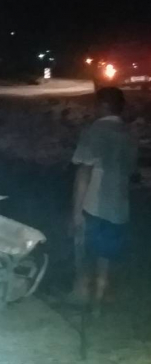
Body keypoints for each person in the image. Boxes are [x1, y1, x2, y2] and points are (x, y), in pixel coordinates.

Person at [71, 86, 138, 310]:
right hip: (119, 206)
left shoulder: (95, 131)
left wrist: (76, 212)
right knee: (106, 255)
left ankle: (81, 292)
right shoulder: (130, 134)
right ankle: (99, 300)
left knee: (83, 248)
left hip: (94, 204)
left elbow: (84, 173)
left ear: (103, 106)